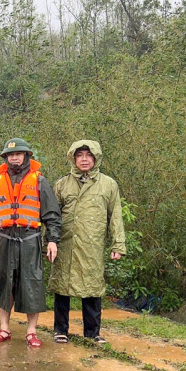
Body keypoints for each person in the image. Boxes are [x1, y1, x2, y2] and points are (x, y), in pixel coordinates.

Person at [0, 138, 62, 347]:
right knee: (4, 283)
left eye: (19, 154)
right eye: (10, 155)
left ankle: (31, 332)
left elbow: (52, 214)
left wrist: (52, 240)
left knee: (32, 283)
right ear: (6, 158)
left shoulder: (40, 181)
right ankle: (4, 328)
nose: (14, 157)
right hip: (3, 239)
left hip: (30, 239)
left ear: (26, 156)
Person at [50, 140, 126, 345]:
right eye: (80, 155)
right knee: (62, 285)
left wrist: (118, 244)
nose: (84, 159)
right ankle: (60, 329)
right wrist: (50, 241)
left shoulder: (108, 184)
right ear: (73, 158)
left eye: (88, 155)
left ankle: (93, 332)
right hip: (66, 243)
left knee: (92, 286)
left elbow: (115, 215)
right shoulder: (62, 184)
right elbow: (52, 217)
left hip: (92, 244)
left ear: (96, 158)